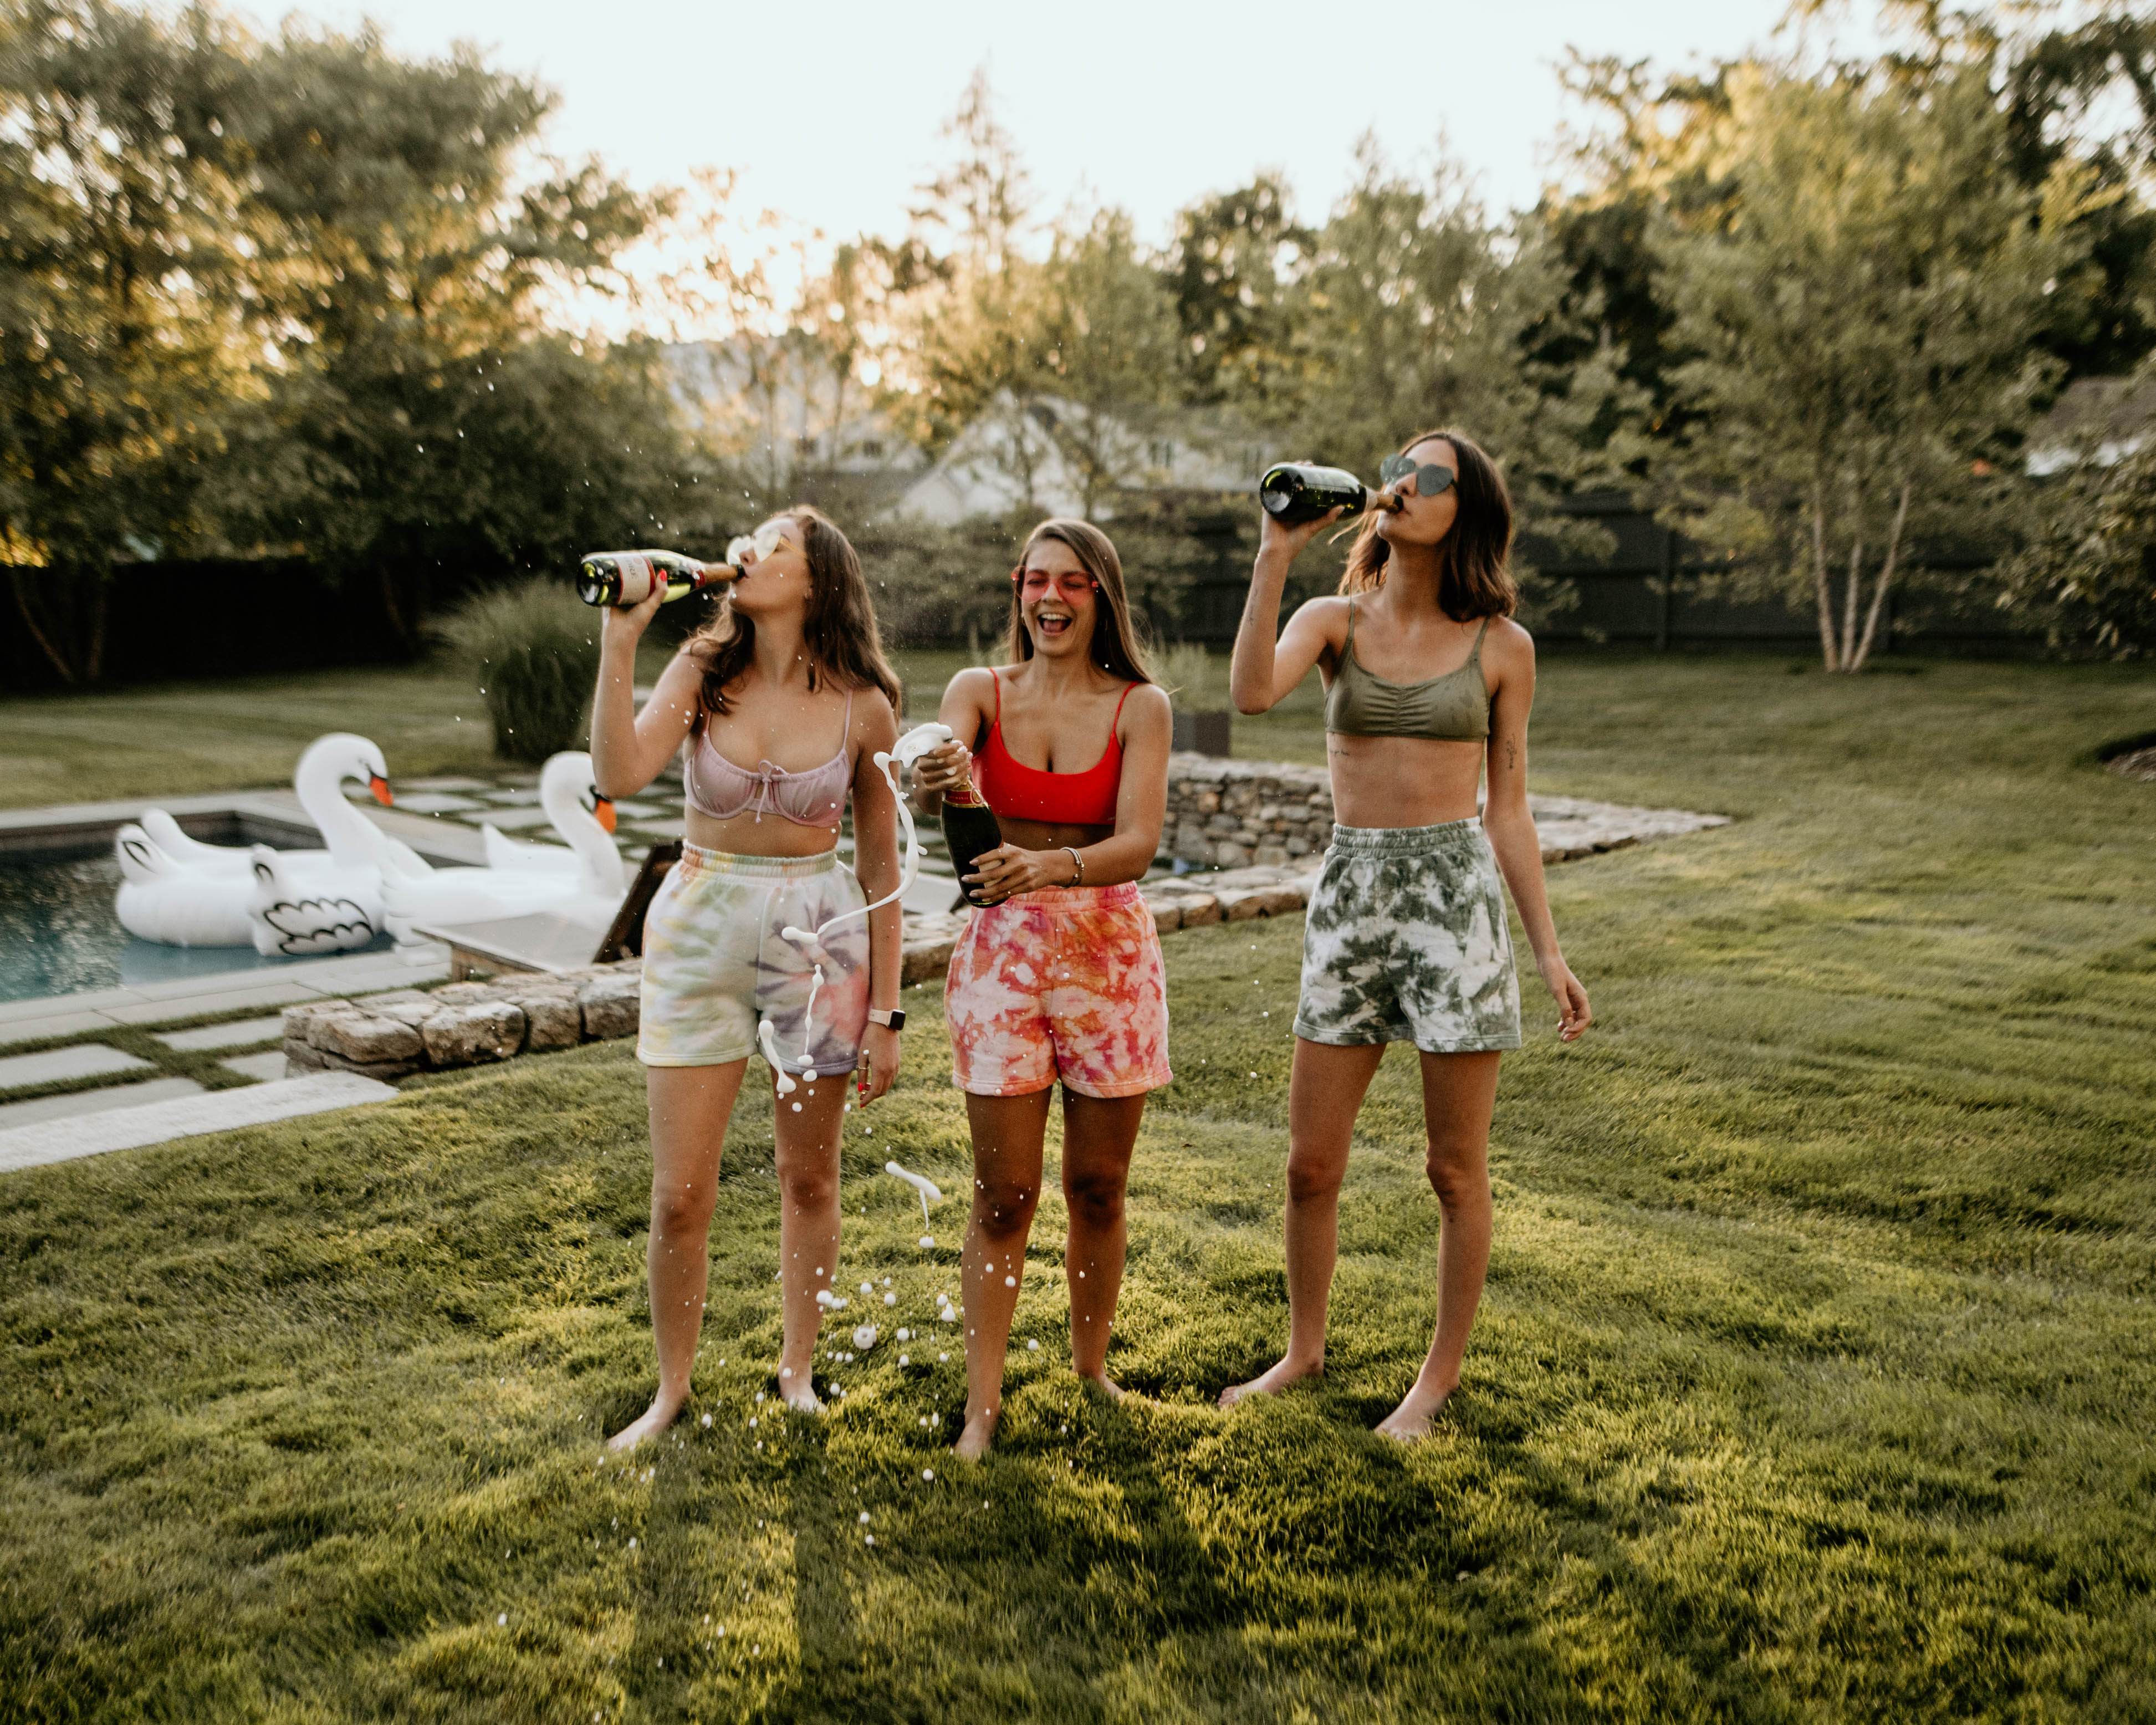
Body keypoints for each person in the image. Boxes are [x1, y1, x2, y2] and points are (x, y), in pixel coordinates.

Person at [1220, 430, 1592, 1440]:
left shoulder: (1502, 648)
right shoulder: (1332, 619)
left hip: (1453, 904)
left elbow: (1508, 810)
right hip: (1350, 899)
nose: (1404, 484)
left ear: (1465, 509)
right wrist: (1275, 552)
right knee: (1308, 1163)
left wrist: (1546, 951)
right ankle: (1302, 1349)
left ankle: (1435, 1382)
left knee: (1452, 1169)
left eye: (1432, 477)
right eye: (1400, 468)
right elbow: (1250, 694)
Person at [590, 506, 906, 1450]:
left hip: (819, 933)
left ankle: (797, 1370)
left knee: (807, 1176)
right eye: (751, 537)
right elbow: (617, 772)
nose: (749, 551)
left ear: (817, 579)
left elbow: (884, 871)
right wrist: (621, 640)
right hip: (696, 927)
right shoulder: (701, 671)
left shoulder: (864, 703)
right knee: (679, 1192)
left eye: (777, 543)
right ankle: (670, 1391)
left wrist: (887, 1010)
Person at [909, 519, 1173, 1461]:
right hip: (1000, 962)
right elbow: (935, 792)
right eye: (1034, 581)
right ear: (1017, 592)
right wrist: (928, 777)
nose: (1049, 599)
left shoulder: (1140, 706)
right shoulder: (976, 691)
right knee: (1004, 1195)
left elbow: (1137, 843)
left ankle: (1091, 1367)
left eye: (1071, 583)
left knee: (1097, 1185)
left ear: (1102, 595)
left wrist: (1050, 866)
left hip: (1109, 957)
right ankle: (982, 1409)